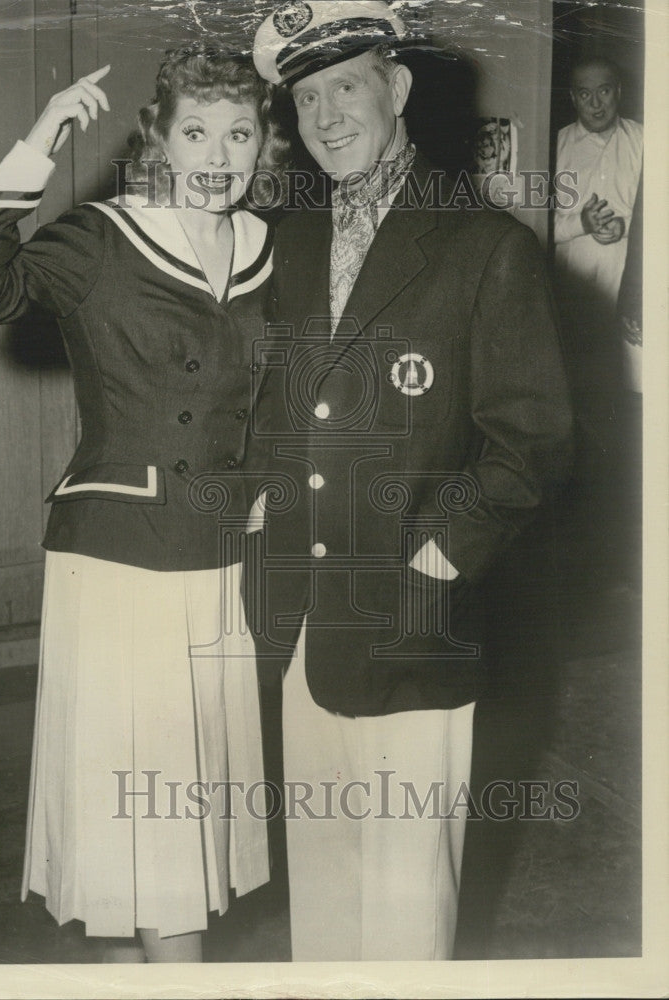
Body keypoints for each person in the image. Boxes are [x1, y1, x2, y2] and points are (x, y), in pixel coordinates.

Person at [0, 46, 288, 963]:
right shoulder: (101, 236)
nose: (219, 154)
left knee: (162, 833)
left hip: (215, 565)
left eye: (240, 132)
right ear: (160, 139)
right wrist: (40, 140)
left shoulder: (264, 246)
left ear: (263, 143)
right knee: (146, 842)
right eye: (197, 131)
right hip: (120, 560)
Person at [249, 1, 574, 961]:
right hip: (305, 608)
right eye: (305, 97)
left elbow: (535, 440)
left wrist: (438, 559)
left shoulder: (487, 246)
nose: (325, 114)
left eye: (345, 85)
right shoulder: (291, 240)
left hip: (414, 616)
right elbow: (277, 403)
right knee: (324, 882)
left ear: (396, 89)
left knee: (403, 901)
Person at [554, 56, 643, 395]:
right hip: (570, 299)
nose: (595, 103)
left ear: (618, 91)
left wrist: (626, 227)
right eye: (585, 93)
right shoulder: (555, 145)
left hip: (626, 296)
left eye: (604, 91)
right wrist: (581, 223)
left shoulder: (645, 141)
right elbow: (538, 226)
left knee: (625, 397)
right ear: (573, 97)